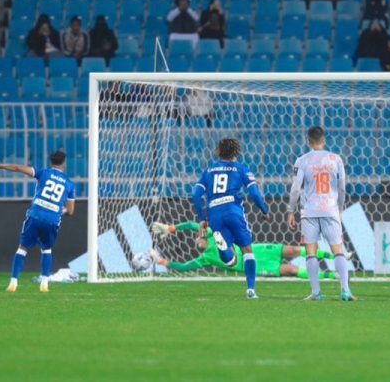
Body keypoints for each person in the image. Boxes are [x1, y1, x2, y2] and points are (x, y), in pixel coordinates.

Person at [192, 138, 271, 299]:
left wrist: (202, 219)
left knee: (231, 260)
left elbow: (196, 194)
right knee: (247, 251)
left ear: (218, 151)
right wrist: (264, 210)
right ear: (237, 152)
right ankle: (251, 290)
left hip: (215, 214)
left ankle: (224, 249)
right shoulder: (241, 169)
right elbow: (254, 193)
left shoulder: (208, 171)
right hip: (234, 212)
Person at [0, 151, 76, 293]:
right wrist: (58, 210)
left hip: (36, 215)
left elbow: (18, 168)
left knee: (22, 248)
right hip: (52, 219)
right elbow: (70, 211)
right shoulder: (70, 184)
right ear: (64, 163)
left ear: (51, 161)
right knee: (47, 249)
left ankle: (13, 282)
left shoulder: (43, 173)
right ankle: (45, 284)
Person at [288, 126, 356, 301]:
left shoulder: (302, 160)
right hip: (330, 210)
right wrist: (339, 208)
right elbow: (342, 187)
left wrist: (290, 211)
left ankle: (316, 293)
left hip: (309, 212)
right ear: (324, 140)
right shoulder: (335, 159)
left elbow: (296, 188)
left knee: (311, 252)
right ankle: (346, 291)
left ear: (308, 142)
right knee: (338, 251)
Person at [150, 221, 337, 279]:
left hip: (256, 251)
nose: (196, 239)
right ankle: (331, 276)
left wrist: (170, 229)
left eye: (197, 236)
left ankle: (334, 255)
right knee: (291, 270)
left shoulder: (213, 235)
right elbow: (183, 267)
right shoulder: (205, 258)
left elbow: (191, 225)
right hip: (252, 267)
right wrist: (161, 261)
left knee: (294, 250)